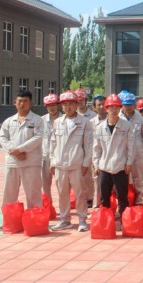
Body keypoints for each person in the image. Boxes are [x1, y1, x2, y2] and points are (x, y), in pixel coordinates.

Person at [49, 90, 94, 232]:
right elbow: (53, 144)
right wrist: (52, 161)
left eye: (71, 104)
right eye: (65, 104)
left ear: (76, 105)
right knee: (62, 193)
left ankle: (82, 220)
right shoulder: (57, 122)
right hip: (60, 164)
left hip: (77, 164)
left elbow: (89, 145)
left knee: (80, 194)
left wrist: (86, 163)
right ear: (61, 106)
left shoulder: (85, 122)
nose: (67, 107)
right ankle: (64, 220)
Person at [0, 89, 44, 209]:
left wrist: (20, 149)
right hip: (12, 162)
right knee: (9, 194)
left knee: (33, 194)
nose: (22, 104)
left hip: (31, 162)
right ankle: (9, 218)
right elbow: (2, 138)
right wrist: (14, 151)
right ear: (15, 102)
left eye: (25, 101)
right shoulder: (8, 121)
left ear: (31, 103)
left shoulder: (37, 120)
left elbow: (38, 138)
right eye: (19, 101)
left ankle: (35, 218)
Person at [93, 94, 134, 219]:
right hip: (104, 167)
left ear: (120, 108)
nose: (114, 110)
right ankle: (106, 221)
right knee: (104, 198)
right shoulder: (100, 128)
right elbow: (96, 149)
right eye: (111, 107)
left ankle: (124, 221)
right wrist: (96, 165)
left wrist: (129, 163)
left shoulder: (126, 126)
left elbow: (131, 146)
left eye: (116, 107)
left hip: (121, 166)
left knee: (122, 197)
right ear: (106, 108)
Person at [119, 91, 143, 205]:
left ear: (135, 105)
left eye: (130, 104)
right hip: (122, 153)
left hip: (137, 153)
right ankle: (124, 201)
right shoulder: (118, 118)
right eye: (126, 105)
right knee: (122, 179)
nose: (128, 107)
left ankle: (138, 200)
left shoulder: (140, 118)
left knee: (137, 178)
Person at [41, 93, 61, 204]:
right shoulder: (41, 121)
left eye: (53, 105)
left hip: (60, 158)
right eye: (49, 105)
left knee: (62, 185)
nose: (51, 108)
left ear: (58, 105)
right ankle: (48, 207)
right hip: (45, 157)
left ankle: (64, 208)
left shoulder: (65, 119)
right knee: (45, 185)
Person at [89, 95, 107, 208]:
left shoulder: (114, 121)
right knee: (96, 182)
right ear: (94, 108)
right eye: (98, 105)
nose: (101, 107)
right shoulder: (90, 123)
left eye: (103, 104)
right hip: (96, 156)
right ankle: (97, 205)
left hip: (110, 156)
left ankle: (110, 206)